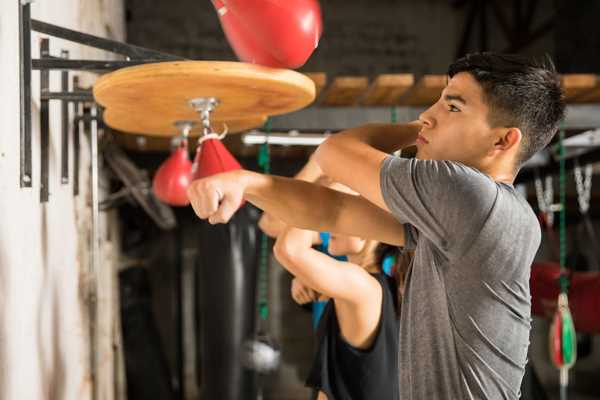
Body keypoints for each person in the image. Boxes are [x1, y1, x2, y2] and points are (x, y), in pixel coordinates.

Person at [187, 52, 565, 399]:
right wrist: (245, 183)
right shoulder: (464, 218)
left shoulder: (471, 198)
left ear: (503, 140)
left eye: (451, 106)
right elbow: (333, 210)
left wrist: (417, 129)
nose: (430, 113)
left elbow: (334, 153)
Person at [273, 219, 401, 399]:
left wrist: (318, 190)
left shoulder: (363, 287)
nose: (330, 225)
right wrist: (307, 277)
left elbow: (289, 249)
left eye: (341, 217)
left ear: (368, 234)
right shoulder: (373, 287)